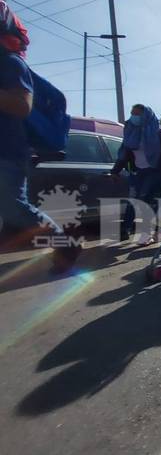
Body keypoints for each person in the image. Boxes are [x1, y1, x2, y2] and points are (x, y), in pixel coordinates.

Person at [0, 14, 80, 272]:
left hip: (7, 152)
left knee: (14, 209)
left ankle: (64, 244)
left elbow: (22, 105)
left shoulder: (11, 63)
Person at [111, 104, 161, 246]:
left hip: (158, 171)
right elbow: (124, 154)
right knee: (133, 199)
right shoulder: (131, 132)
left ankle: (149, 233)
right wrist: (115, 171)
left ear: (146, 115)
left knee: (145, 199)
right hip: (139, 172)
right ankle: (126, 229)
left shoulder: (159, 133)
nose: (133, 117)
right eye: (132, 113)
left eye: (137, 114)